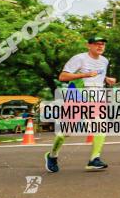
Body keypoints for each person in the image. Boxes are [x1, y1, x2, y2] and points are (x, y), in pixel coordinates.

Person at [45, 36, 116, 173]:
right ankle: (52, 155)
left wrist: (107, 79)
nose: (100, 46)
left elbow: (98, 75)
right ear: (88, 45)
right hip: (77, 95)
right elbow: (63, 77)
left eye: (102, 44)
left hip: (96, 97)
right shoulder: (79, 58)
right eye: (96, 44)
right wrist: (84, 75)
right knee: (65, 132)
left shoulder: (104, 61)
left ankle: (94, 159)